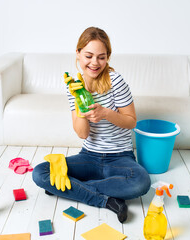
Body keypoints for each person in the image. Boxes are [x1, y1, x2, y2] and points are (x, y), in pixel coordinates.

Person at [33, 27, 151, 223]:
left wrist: (105, 113)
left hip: (120, 158)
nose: (95, 63)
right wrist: (80, 101)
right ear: (78, 53)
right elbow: (82, 134)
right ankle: (108, 201)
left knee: (141, 183)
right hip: (89, 157)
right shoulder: (74, 86)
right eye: (88, 55)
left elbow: (131, 121)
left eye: (101, 57)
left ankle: (76, 187)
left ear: (108, 58)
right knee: (40, 173)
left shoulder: (116, 81)